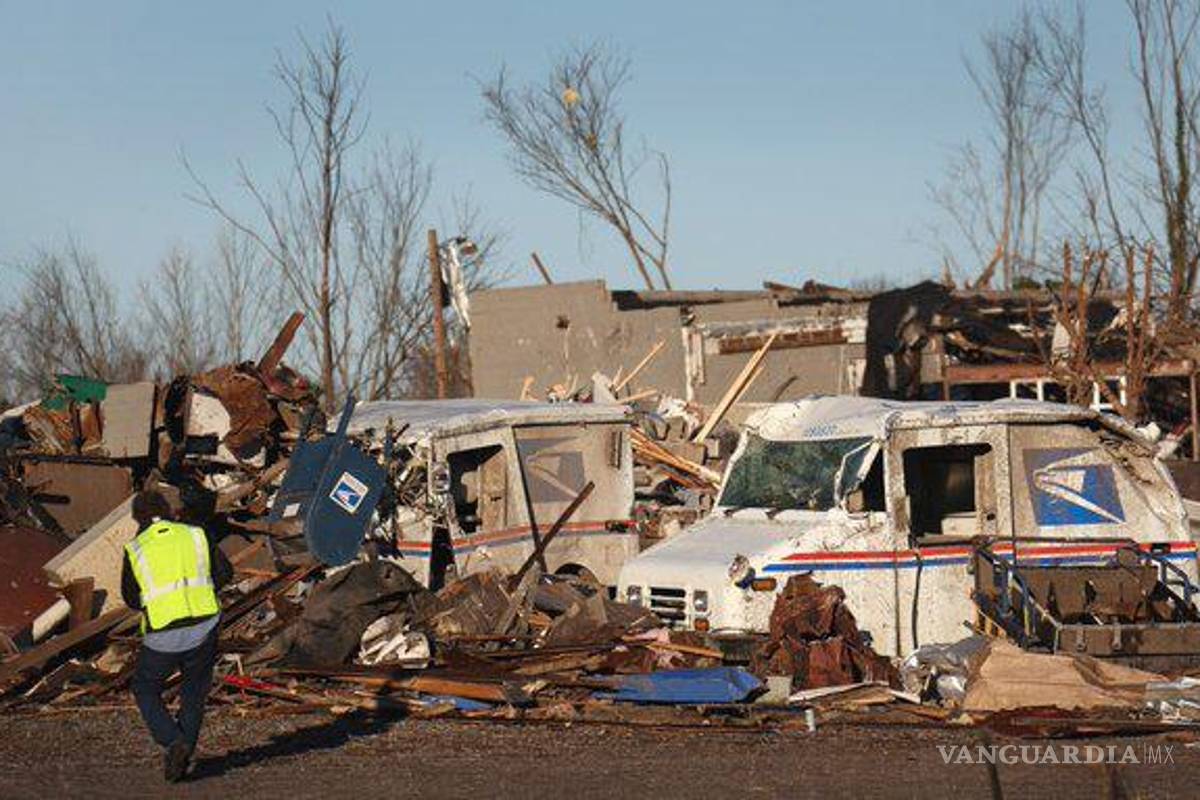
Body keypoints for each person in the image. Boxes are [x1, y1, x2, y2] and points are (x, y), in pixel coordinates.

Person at [121, 488, 231, 783]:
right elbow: (225, 573)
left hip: (163, 634)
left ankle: (173, 742)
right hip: (205, 626)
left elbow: (131, 598)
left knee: (145, 689)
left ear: (137, 519)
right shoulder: (196, 534)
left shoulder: (136, 549)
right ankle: (182, 755)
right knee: (193, 694)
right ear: (169, 510)